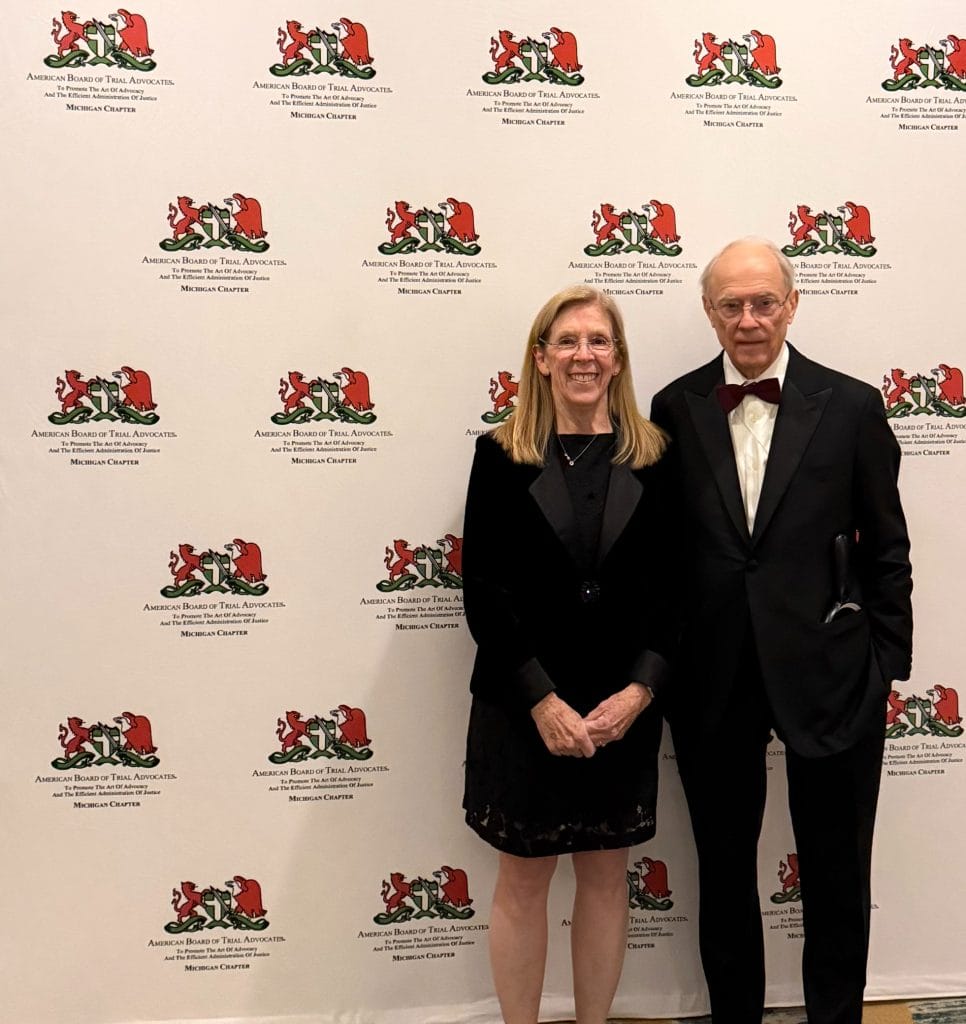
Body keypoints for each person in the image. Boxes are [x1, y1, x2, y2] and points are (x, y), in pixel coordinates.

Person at [650, 238, 913, 1024]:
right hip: (712, 678)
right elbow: (665, 553)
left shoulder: (853, 406)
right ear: (709, 312)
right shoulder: (674, 407)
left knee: (837, 871)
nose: (749, 319)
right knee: (724, 870)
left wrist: (885, 664)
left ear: (792, 305)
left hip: (834, 675)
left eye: (764, 302)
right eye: (731, 305)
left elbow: (888, 546)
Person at [461, 285, 673, 1024]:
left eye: (599, 341)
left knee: (607, 878)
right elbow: (483, 591)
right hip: (525, 704)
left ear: (618, 359)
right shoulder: (499, 456)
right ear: (542, 359)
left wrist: (641, 691)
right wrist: (541, 700)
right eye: (568, 341)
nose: (585, 355)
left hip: (621, 708)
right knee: (523, 881)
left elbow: (676, 590)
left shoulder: (657, 457)